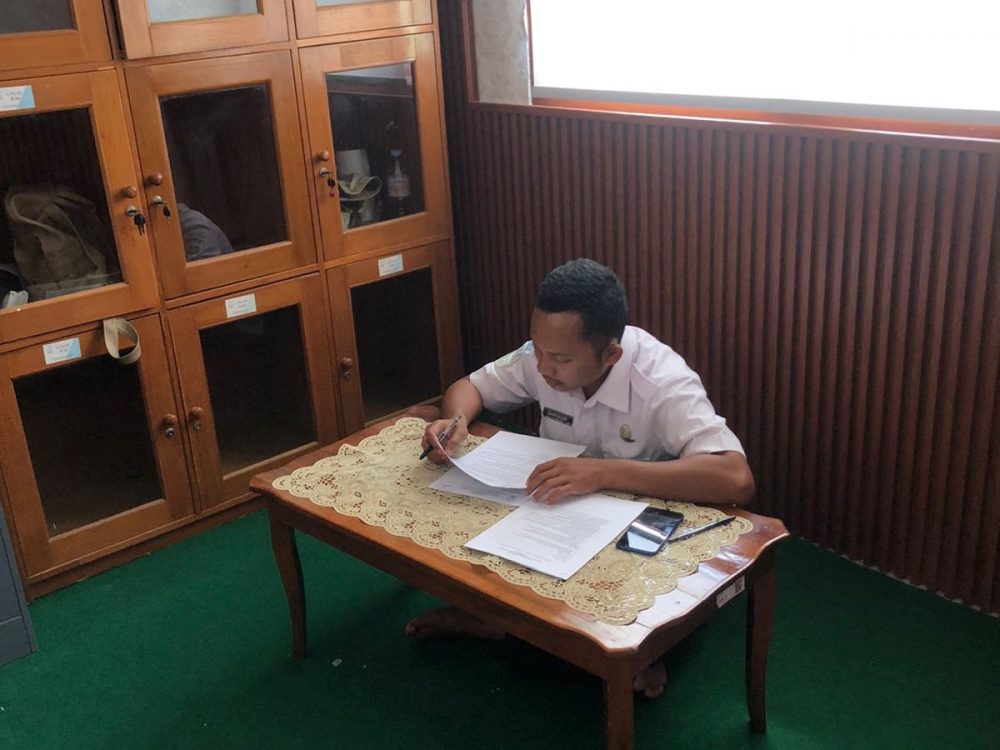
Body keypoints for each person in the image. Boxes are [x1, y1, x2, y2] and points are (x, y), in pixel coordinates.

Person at [408, 258, 755, 698]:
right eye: (537, 348)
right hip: (561, 507)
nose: (543, 367)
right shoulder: (544, 353)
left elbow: (735, 477)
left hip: (646, 518)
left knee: (585, 643)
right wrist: (455, 420)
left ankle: (501, 627)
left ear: (611, 354)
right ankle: (517, 627)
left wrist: (602, 472)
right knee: (472, 521)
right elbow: (470, 386)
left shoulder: (662, 380)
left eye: (559, 359)